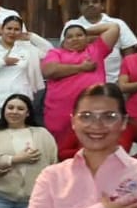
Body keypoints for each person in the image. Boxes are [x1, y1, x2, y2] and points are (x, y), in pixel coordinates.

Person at [43, 21, 121, 157]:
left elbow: (113, 27)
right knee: (58, 153)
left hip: (93, 113)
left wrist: (85, 30)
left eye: (79, 35)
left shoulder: (95, 50)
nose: (75, 39)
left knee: (92, 151)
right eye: (70, 36)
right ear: (64, 41)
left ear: (87, 38)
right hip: (60, 113)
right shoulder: (55, 52)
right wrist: (81, 68)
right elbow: (49, 71)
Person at [0, 15, 51, 126]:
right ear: (2, 29)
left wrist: (32, 37)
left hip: (19, 106)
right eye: (9, 28)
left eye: (16, 29)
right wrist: (2, 62)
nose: (12, 32)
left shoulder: (27, 49)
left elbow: (50, 52)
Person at [64, 0, 137, 84]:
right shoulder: (71, 24)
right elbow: (64, 49)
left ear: (102, 5)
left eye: (95, 2)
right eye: (86, 2)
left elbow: (129, 52)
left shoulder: (118, 23)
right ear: (80, 7)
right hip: (80, 80)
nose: (90, 5)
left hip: (114, 80)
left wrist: (125, 76)